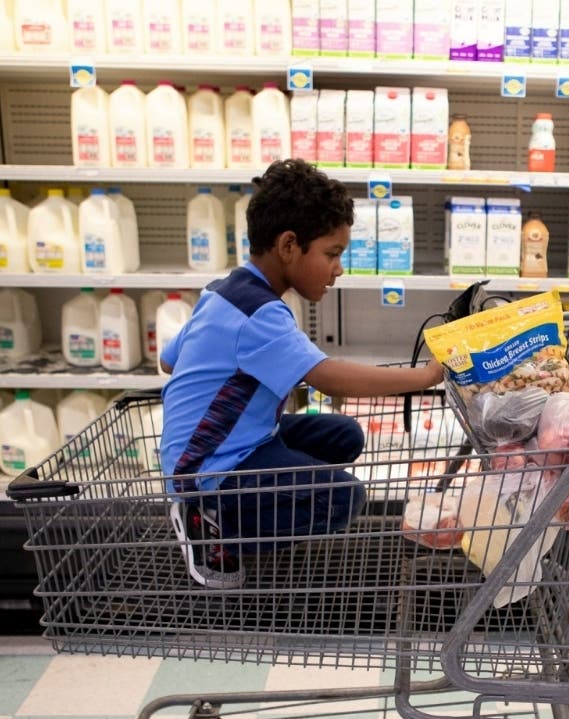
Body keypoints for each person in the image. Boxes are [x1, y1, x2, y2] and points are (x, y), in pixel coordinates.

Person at [160, 158, 444, 588]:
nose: (339, 268)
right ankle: (211, 522)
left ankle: (257, 502)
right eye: (332, 254)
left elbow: (168, 360)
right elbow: (328, 377)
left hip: (239, 443)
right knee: (343, 498)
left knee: (344, 435)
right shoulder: (259, 313)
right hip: (210, 468)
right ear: (289, 245)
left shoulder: (223, 291)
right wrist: (426, 377)